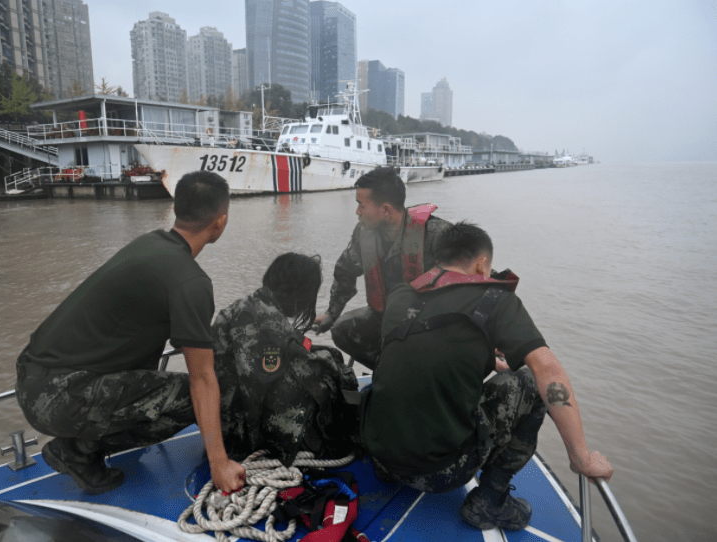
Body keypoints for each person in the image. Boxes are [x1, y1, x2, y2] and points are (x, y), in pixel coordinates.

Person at [358, 221, 614, 531]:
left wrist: (490, 360)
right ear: (482, 264)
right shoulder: (496, 300)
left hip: (380, 457)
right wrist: (582, 457)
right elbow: (548, 370)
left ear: (438, 258)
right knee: (532, 382)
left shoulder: (401, 295)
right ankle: (490, 501)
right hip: (440, 472)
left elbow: (430, 349)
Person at [15, 171, 245, 495]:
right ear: (220, 221)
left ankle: (77, 444)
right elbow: (202, 380)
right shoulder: (190, 282)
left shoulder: (150, 243)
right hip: (60, 394)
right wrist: (219, 463)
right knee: (202, 399)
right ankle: (78, 452)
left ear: (177, 208)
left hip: (34, 379)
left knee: (160, 381)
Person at [212, 253, 359, 465]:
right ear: (300, 292)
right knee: (327, 382)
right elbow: (307, 372)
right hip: (241, 439)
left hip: (222, 424)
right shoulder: (272, 324)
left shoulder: (242, 307)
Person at [313, 167, 451, 369]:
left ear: (385, 210)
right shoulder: (363, 233)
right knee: (342, 329)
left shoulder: (436, 234)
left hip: (428, 323)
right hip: (385, 316)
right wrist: (332, 313)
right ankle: (388, 370)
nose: (357, 212)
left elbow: (474, 276)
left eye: (361, 205)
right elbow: (345, 271)